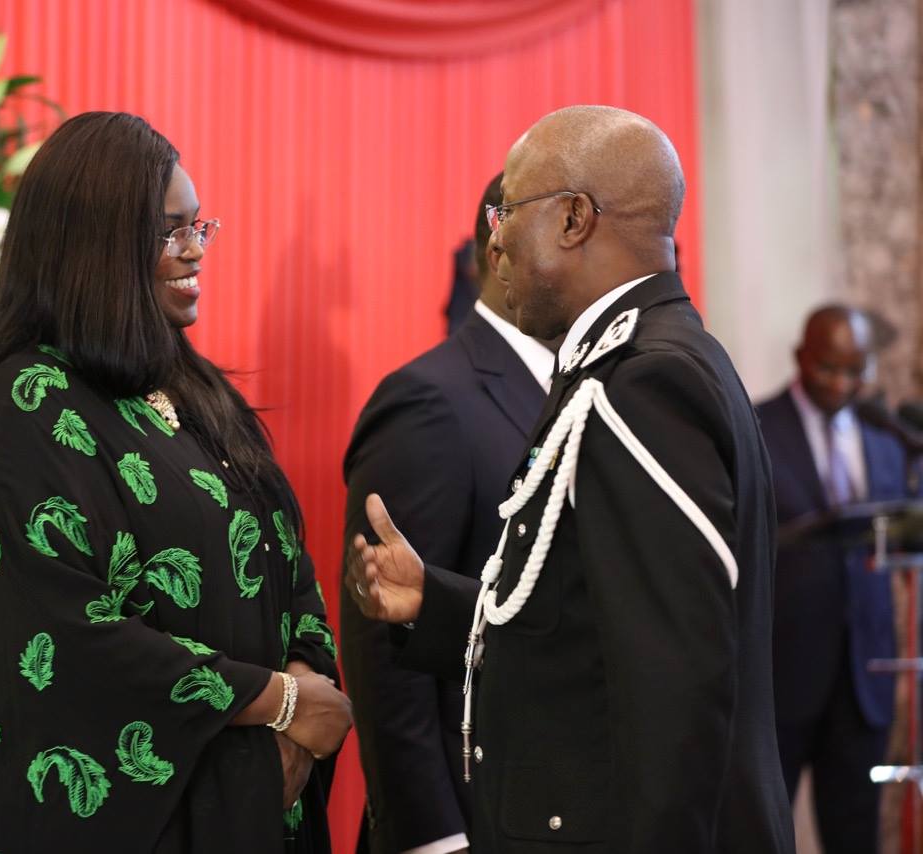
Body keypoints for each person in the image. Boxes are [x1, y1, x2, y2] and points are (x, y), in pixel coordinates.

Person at [345, 105, 794, 853]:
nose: (493, 239)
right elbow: (582, 632)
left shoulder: (641, 384)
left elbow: (674, 691)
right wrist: (436, 601)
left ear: (574, 219)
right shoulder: (635, 360)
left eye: (506, 211)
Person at [0, 111, 351, 854]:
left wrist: (300, 703)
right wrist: (277, 701)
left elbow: (282, 552)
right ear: (95, 248)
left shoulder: (195, 385)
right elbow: (64, 638)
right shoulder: (26, 403)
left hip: (252, 799)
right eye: (168, 231)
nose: (194, 250)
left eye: (199, 225)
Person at [340, 172, 550, 854]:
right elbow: (382, 642)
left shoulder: (594, 386)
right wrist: (429, 834)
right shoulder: (429, 400)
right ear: (501, 249)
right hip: (470, 819)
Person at [758, 306, 909, 854]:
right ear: (801, 357)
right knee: (765, 832)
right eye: (828, 368)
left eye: (855, 371)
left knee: (856, 835)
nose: (842, 384)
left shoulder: (886, 438)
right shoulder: (756, 428)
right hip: (784, 674)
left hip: (864, 675)